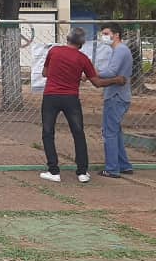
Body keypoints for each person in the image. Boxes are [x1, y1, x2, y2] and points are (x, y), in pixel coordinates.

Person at [40, 27, 125, 184]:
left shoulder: (54, 51)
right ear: (82, 43)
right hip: (71, 98)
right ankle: (82, 171)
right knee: (78, 133)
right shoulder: (83, 58)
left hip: (51, 96)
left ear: (68, 38)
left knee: (48, 132)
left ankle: (53, 171)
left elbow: (45, 73)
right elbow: (97, 83)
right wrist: (116, 80)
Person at [97, 22, 134, 178]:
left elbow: (111, 72)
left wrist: (93, 73)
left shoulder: (120, 50)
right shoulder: (120, 50)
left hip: (115, 97)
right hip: (119, 96)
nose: (103, 37)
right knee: (115, 132)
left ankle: (112, 168)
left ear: (116, 34)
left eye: (106, 33)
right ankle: (123, 165)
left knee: (109, 133)